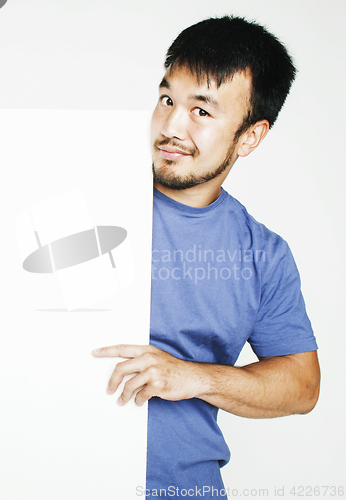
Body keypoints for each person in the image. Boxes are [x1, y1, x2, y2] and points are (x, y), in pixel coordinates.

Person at [93, 16, 320, 498]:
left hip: (181, 489)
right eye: (167, 99)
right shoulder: (79, 198)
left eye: (202, 111)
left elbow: (302, 385)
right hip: (35, 472)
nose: (171, 125)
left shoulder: (264, 255)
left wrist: (190, 376)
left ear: (250, 137)